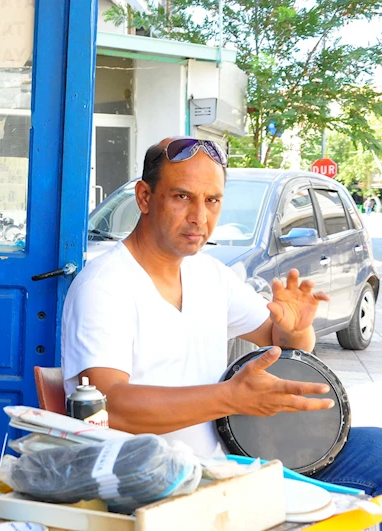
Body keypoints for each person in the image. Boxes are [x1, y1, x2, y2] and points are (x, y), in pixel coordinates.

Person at [62, 136, 382, 496]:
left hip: (227, 465)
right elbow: (107, 407)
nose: (200, 217)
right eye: (182, 197)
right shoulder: (104, 285)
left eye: (212, 200)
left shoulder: (209, 274)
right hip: (153, 485)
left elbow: (281, 342)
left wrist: (295, 328)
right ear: (145, 198)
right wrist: (231, 397)